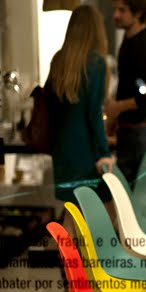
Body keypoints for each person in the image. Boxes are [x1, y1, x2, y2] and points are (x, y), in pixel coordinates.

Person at [47, 5, 113, 222]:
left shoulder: (59, 60)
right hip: (86, 152)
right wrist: (104, 151)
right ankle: (74, 248)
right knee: (97, 214)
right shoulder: (96, 62)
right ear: (96, 30)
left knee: (72, 213)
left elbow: (50, 106)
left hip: (62, 151)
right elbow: (94, 114)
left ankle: (63, 246)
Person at [106, 0, 146, 186]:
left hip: (140, 131)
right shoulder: (128, 38)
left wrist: (118, 107)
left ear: (138, 13)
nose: (115, 15)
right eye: (115, 9)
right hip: (129, 129)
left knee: (139, 190)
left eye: (122, 10)